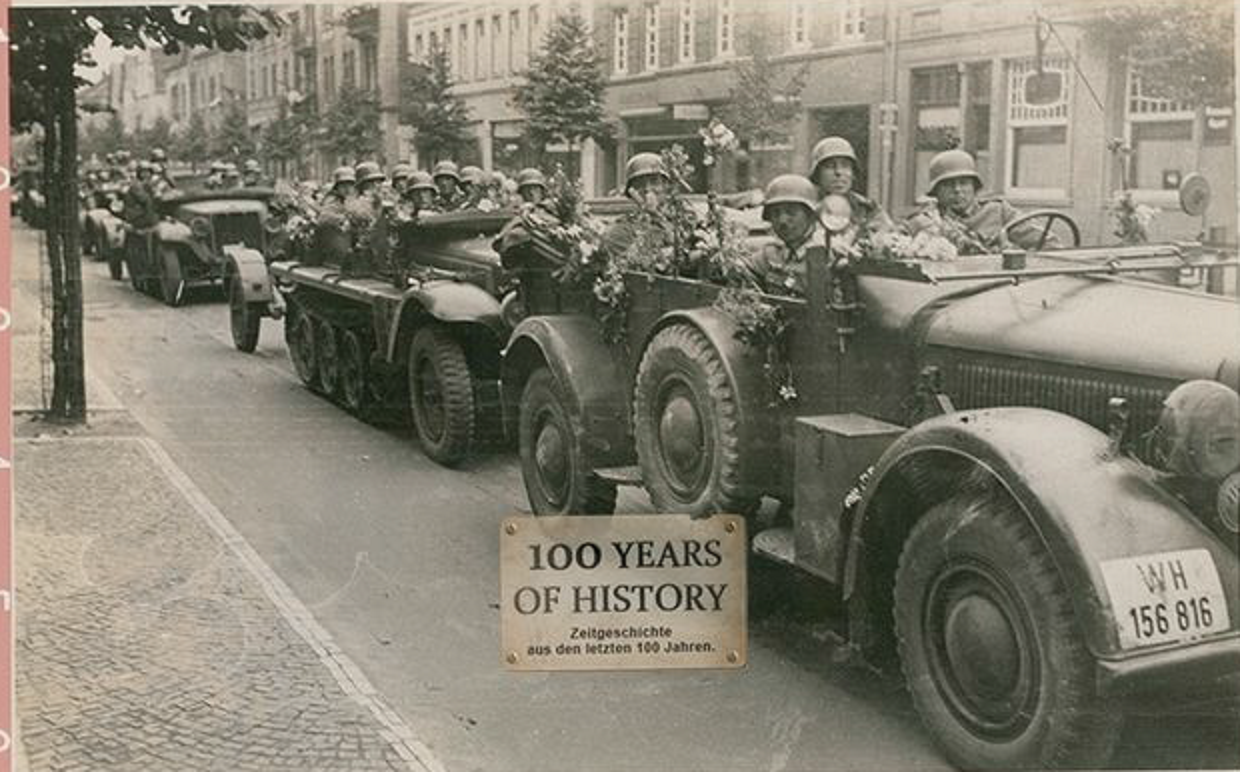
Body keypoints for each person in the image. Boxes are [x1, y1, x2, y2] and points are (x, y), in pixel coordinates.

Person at [905, 148, 1056, 253]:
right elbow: (893, 245)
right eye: (948, 185)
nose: (958, 190)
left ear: (974, 187)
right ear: (936, 191)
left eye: (964, 183)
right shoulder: (924, 220)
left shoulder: (999, 211)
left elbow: (1047, 243)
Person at [807, 136, 892, 255]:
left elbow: (886, 234)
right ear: (817, 173)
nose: (838, 172)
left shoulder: (867, 209)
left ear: (853, 173)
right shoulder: (806, 207)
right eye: (830, 166)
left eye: (845, 166)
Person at [746, 174, 827, 297]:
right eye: (776, 213)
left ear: (810, 216)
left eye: (791, 212)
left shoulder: (827, 256)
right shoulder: (769, 255)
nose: (782, 220)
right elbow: (744, 274)